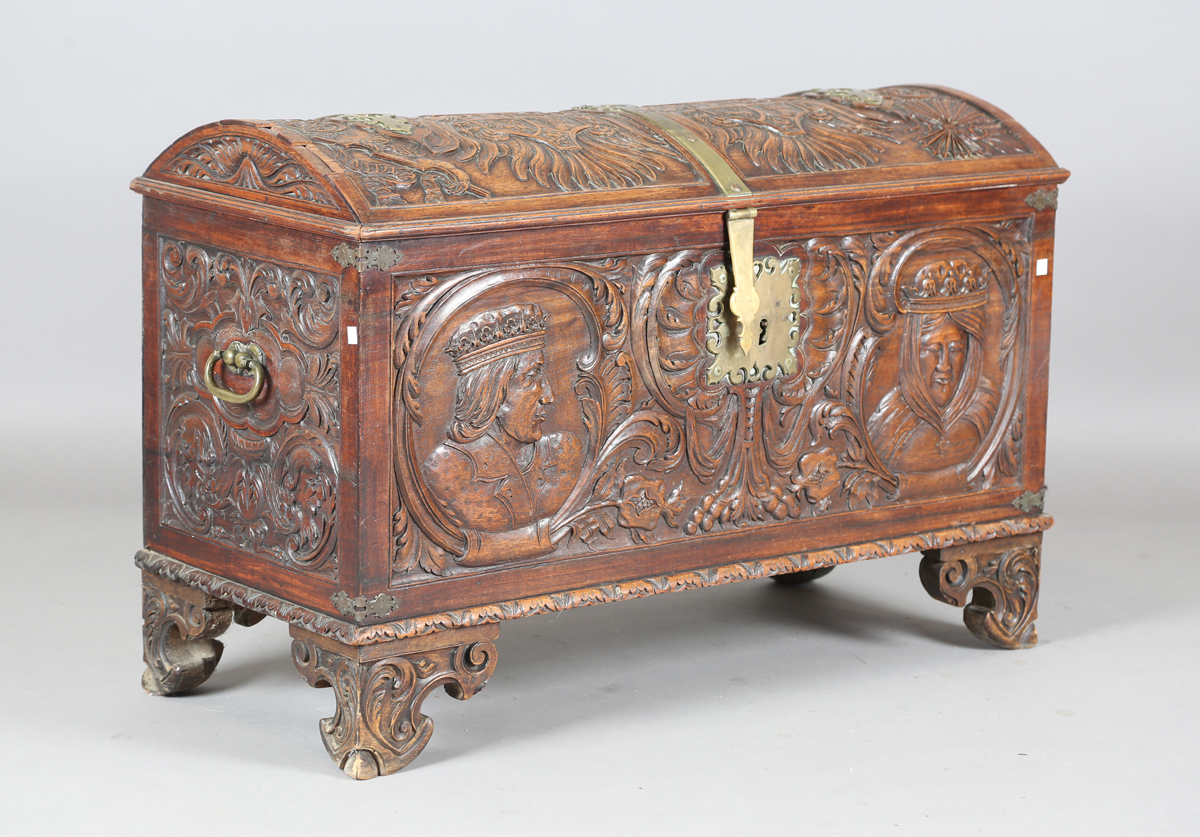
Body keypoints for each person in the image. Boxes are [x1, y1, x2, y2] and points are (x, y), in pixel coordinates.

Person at [423, 304, 582, 566]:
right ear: (491, 393)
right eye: (531, 378)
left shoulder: (562, 452)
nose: (548, 396)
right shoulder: (448, 469)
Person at [868, 259, 997, 492]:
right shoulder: (889, 419)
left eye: (956, 350)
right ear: (912, 352)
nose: (944, 365)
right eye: (933, 350)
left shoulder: (986, 406)